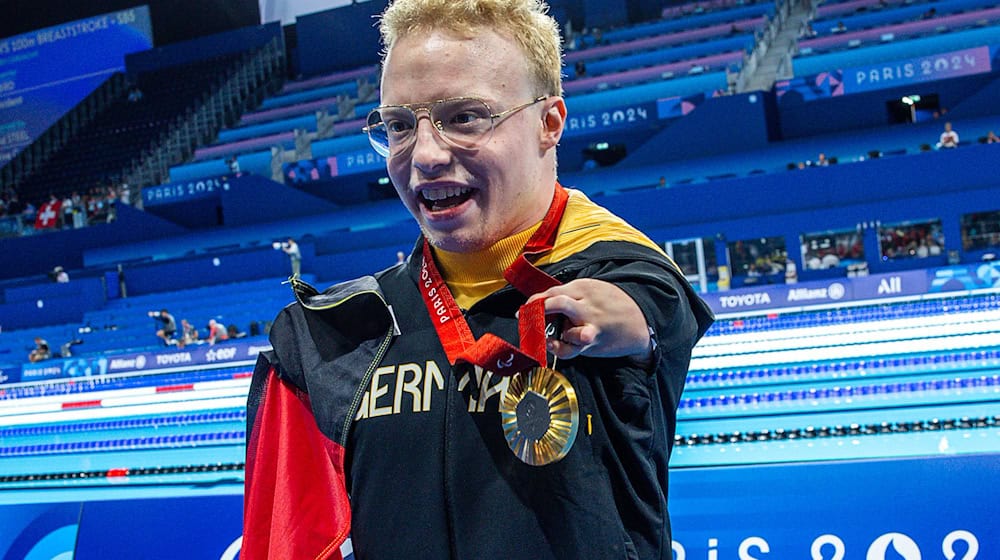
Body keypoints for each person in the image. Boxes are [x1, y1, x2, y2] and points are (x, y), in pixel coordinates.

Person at [241, 1, 714, 559]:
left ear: (549, 123)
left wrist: (624, 321)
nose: (425, 156)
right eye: (398, 126)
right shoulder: (331, 340)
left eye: (464, 117)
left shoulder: (618, 278)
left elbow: (653, 310)